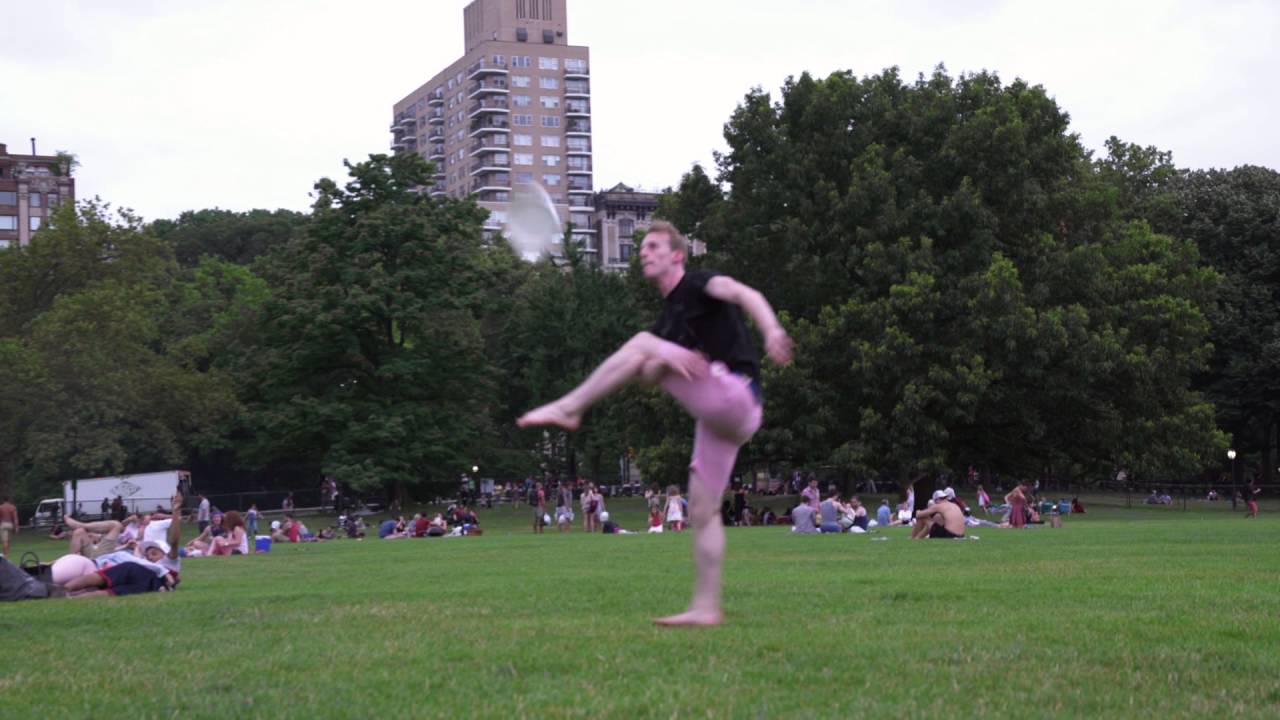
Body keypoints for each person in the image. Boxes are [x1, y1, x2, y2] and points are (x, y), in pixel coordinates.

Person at [517, 220, 793, 626]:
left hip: (737, 394)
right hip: (720, 419)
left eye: (652, 246)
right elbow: (645, 376)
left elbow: (743, 292)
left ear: (676, 255)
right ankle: (705, 607)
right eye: (641, 247)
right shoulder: (668, 321)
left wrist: (771, 330)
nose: (643, 252)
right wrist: (666, 358)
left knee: (643, 344)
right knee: (702, 509)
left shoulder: (699, 285)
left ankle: (571, 407)